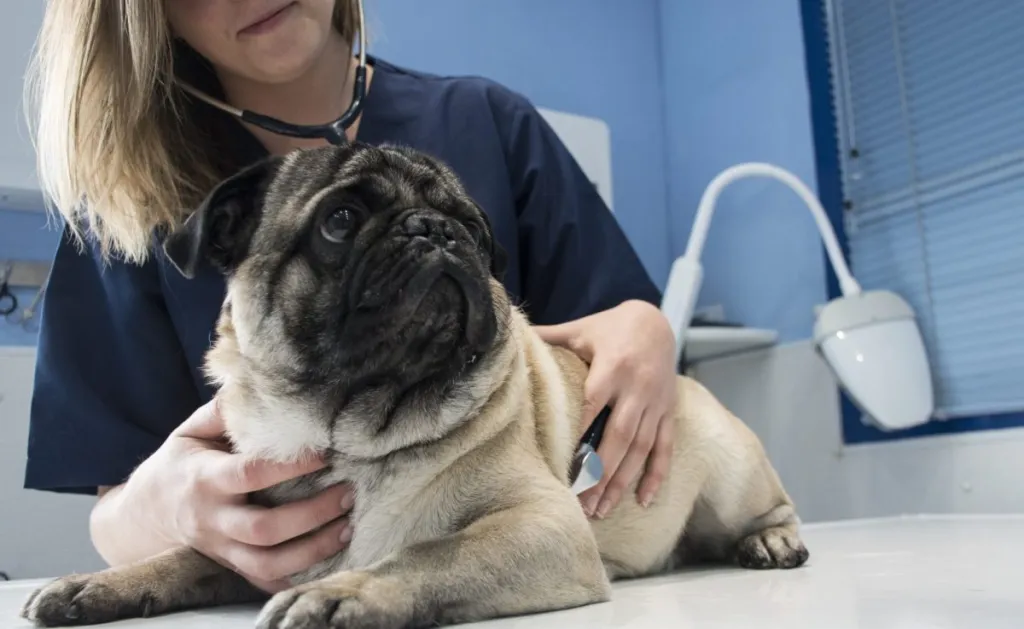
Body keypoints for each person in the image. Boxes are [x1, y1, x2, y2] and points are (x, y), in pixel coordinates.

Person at [23, 0, 678, 593]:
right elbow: (113, 513)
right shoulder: (127, 208)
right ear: (147, 14)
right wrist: (161, 508)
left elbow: (608, 361)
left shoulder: (489, 124)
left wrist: (645, 326)